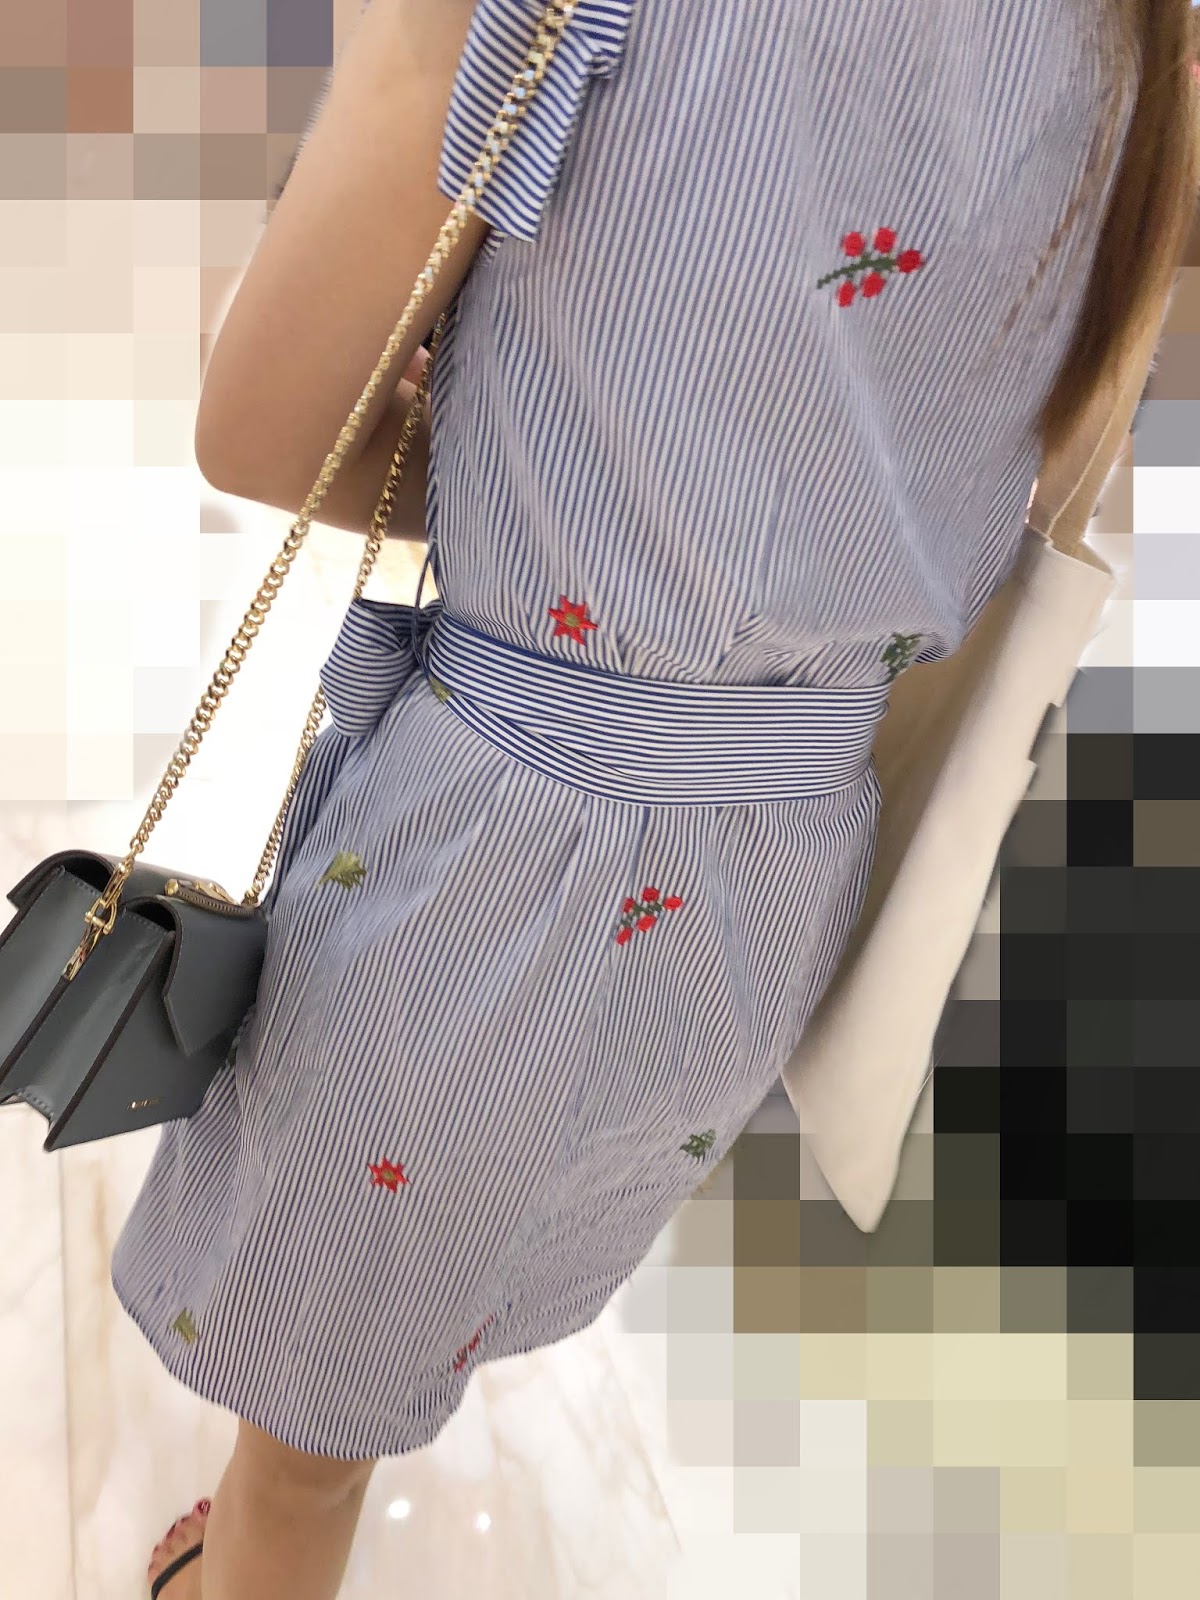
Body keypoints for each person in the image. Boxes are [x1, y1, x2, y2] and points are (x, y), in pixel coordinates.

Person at [114, 3, 1197, 1597]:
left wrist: (533, 467)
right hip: (774, 871)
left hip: (485, 862)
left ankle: (252, 1556)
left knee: (306, 1450)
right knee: (440, 1281)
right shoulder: (1131, 41)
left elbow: (268, 430)